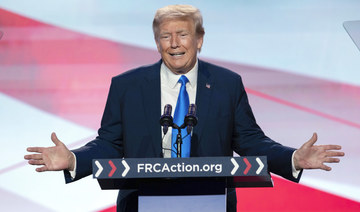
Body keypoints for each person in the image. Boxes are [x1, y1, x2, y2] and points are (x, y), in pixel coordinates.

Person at [24, 4, 344, 212]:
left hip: (211, 202)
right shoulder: (127, 86)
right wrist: (73, 159)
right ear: (157, 42)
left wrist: (292, 158)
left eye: (182, 34)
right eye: (165, 36)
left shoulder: (226, 84)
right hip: (141, 203)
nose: (174, 43)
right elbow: (109, 142)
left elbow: (250, 142)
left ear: (199, 39)